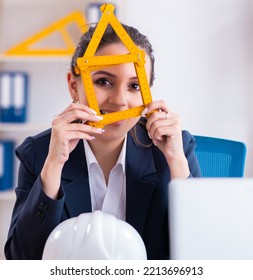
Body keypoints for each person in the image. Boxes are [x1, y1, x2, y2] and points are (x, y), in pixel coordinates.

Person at [4, 23, 201, 260]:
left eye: (134, 86)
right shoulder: (38, 153)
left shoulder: (174, 149)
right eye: (103, 82)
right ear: (73, 86)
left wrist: (176, 162)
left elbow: (202, 257)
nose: (119, 101)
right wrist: (53, 168)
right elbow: (21, 260)